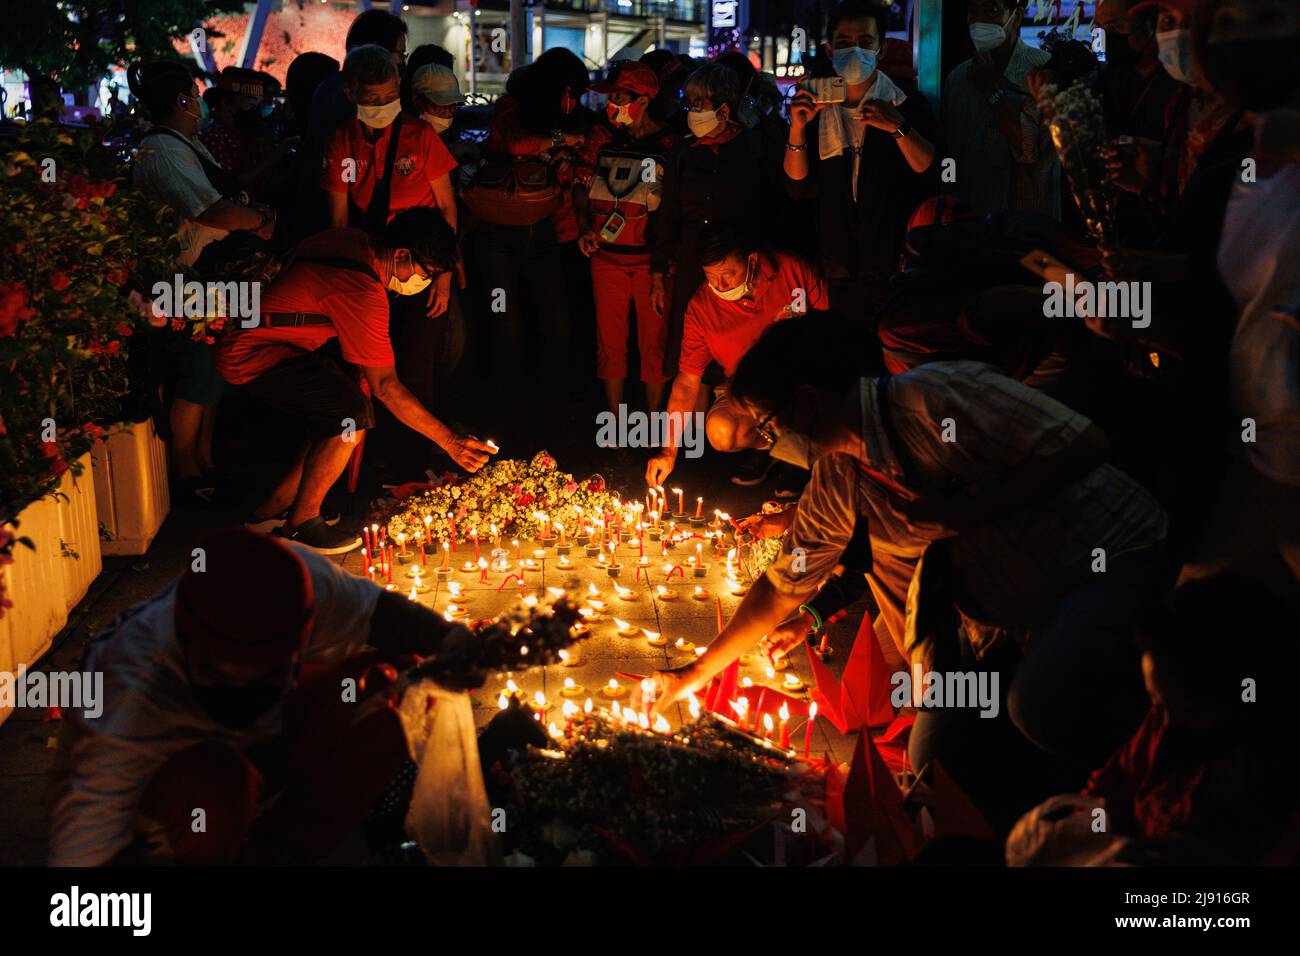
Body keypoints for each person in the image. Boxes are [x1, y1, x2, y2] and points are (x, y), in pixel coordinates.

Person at [652, 315, 1168, 810]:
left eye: (768, 428)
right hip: (999, 619)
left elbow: (1084, 445)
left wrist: (966, 511)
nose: (770, 444)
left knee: (1037, 704)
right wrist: (693, 673)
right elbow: (781, 588)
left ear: (807, 404)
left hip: (1106, 561)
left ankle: (1144, 784)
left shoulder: (940, 396)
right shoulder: (837, 479)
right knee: (933, 771)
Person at [46, 527, 478, 866]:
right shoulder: (126, 697)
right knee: (217, 788)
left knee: (400, 684)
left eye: (271, 673)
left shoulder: (297, 582)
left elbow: (382, 614)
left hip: (264, 747)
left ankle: (286, 846)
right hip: (177, 789)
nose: (251, 690)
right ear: (188, 647)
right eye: (229, 678)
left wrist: (452, 640)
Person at [213, 206, 494, 553]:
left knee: (339, 410)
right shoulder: (363, 291)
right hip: (251, 353)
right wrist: (450, 442)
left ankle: (271, 510)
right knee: (350, 416)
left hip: (265, 341)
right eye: (426, 272)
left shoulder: (355, 241)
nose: (423, 281)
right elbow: (387, 388)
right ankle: (301, 523)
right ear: (402, 253)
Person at [1181, 0, 1300, 588]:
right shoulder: (1236, 163)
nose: (1247, 39)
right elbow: (1229, 298)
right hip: (1256, 453)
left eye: (1270, 14)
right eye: (1228, 23)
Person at [128, 60, 277, 508]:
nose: (199, 102)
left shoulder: (182, 143)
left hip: (208, 275)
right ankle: (187, 471)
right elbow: (209, 209)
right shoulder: (162, 150)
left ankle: (205, 461)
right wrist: (259, 223)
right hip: (187, 277)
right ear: (180, 101)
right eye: (193, 94)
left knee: (214, 365)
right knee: (198, 371)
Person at [785, 0, 942, 319]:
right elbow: (796, 185)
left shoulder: (905, 102)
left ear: (880, 50)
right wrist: (798, 128)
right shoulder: (817, 105)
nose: (854, 50)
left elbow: (931, 172)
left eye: (865, 42)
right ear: (830, 51)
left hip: (895, 261)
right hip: (836, 264)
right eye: (844, 43)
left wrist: (898, 126)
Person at [644, 228, 827, 490]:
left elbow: (831, 331)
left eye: (727, 275)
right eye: (710, 276)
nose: (719, 285)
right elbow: (687, 382)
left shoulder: (793, 270)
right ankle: (776, 449)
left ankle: (806, 462)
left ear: (751, 260)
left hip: (803, 382)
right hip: (749, 391)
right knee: (720, 430)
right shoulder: (701, 307)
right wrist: (668, 450)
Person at [477, 48, 589, 399]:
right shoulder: (511, 106)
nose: (573, 101)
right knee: (505, 318)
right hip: (498, 232)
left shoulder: (561, 117)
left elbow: (570, 173)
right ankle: (510, 402)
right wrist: (560, 142)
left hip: (541, 228)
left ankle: (552, 400)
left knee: (556, 319)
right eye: (570, 92)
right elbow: (515, 142)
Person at [574, 60, 679, 415]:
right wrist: (585, 227)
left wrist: (663, 263)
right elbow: (579, 185)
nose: (612, 105)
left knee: (654, 343)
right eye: (611, 98)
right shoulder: (601, 138)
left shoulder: (670, 142)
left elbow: (673, 208)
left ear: (644, 100)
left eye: (619, 97)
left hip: (653, 263)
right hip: (606, 260)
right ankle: (616, 428)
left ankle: (653, 424)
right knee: (610, 341)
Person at [651, 64, 761, 382]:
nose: (691, 109)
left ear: (724, 109)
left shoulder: (752, 148)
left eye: (700, 102)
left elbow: (764, 206)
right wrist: (659, 270)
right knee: (690, 353)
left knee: (732, 347)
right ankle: (691, 429)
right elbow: (668, 211)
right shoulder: (684, 151)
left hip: (736, 265)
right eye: (690, 101)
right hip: (690, 262)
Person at [942, 0, 1061, 218]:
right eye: (972, 13)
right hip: (969, 215)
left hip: (1027, 221)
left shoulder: (1043, 71)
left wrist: (992, 91)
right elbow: (950, 150)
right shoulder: (957, 78)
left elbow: (1031, 149)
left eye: (991, 11)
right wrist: (947, 191)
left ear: (1015, 17)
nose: (980, 21)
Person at [299, 9, 409, 238]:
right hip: (348, 214)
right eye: (400, 54)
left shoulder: (328, 86)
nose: (402, 62)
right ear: (379, 54)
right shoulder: (359, 100)